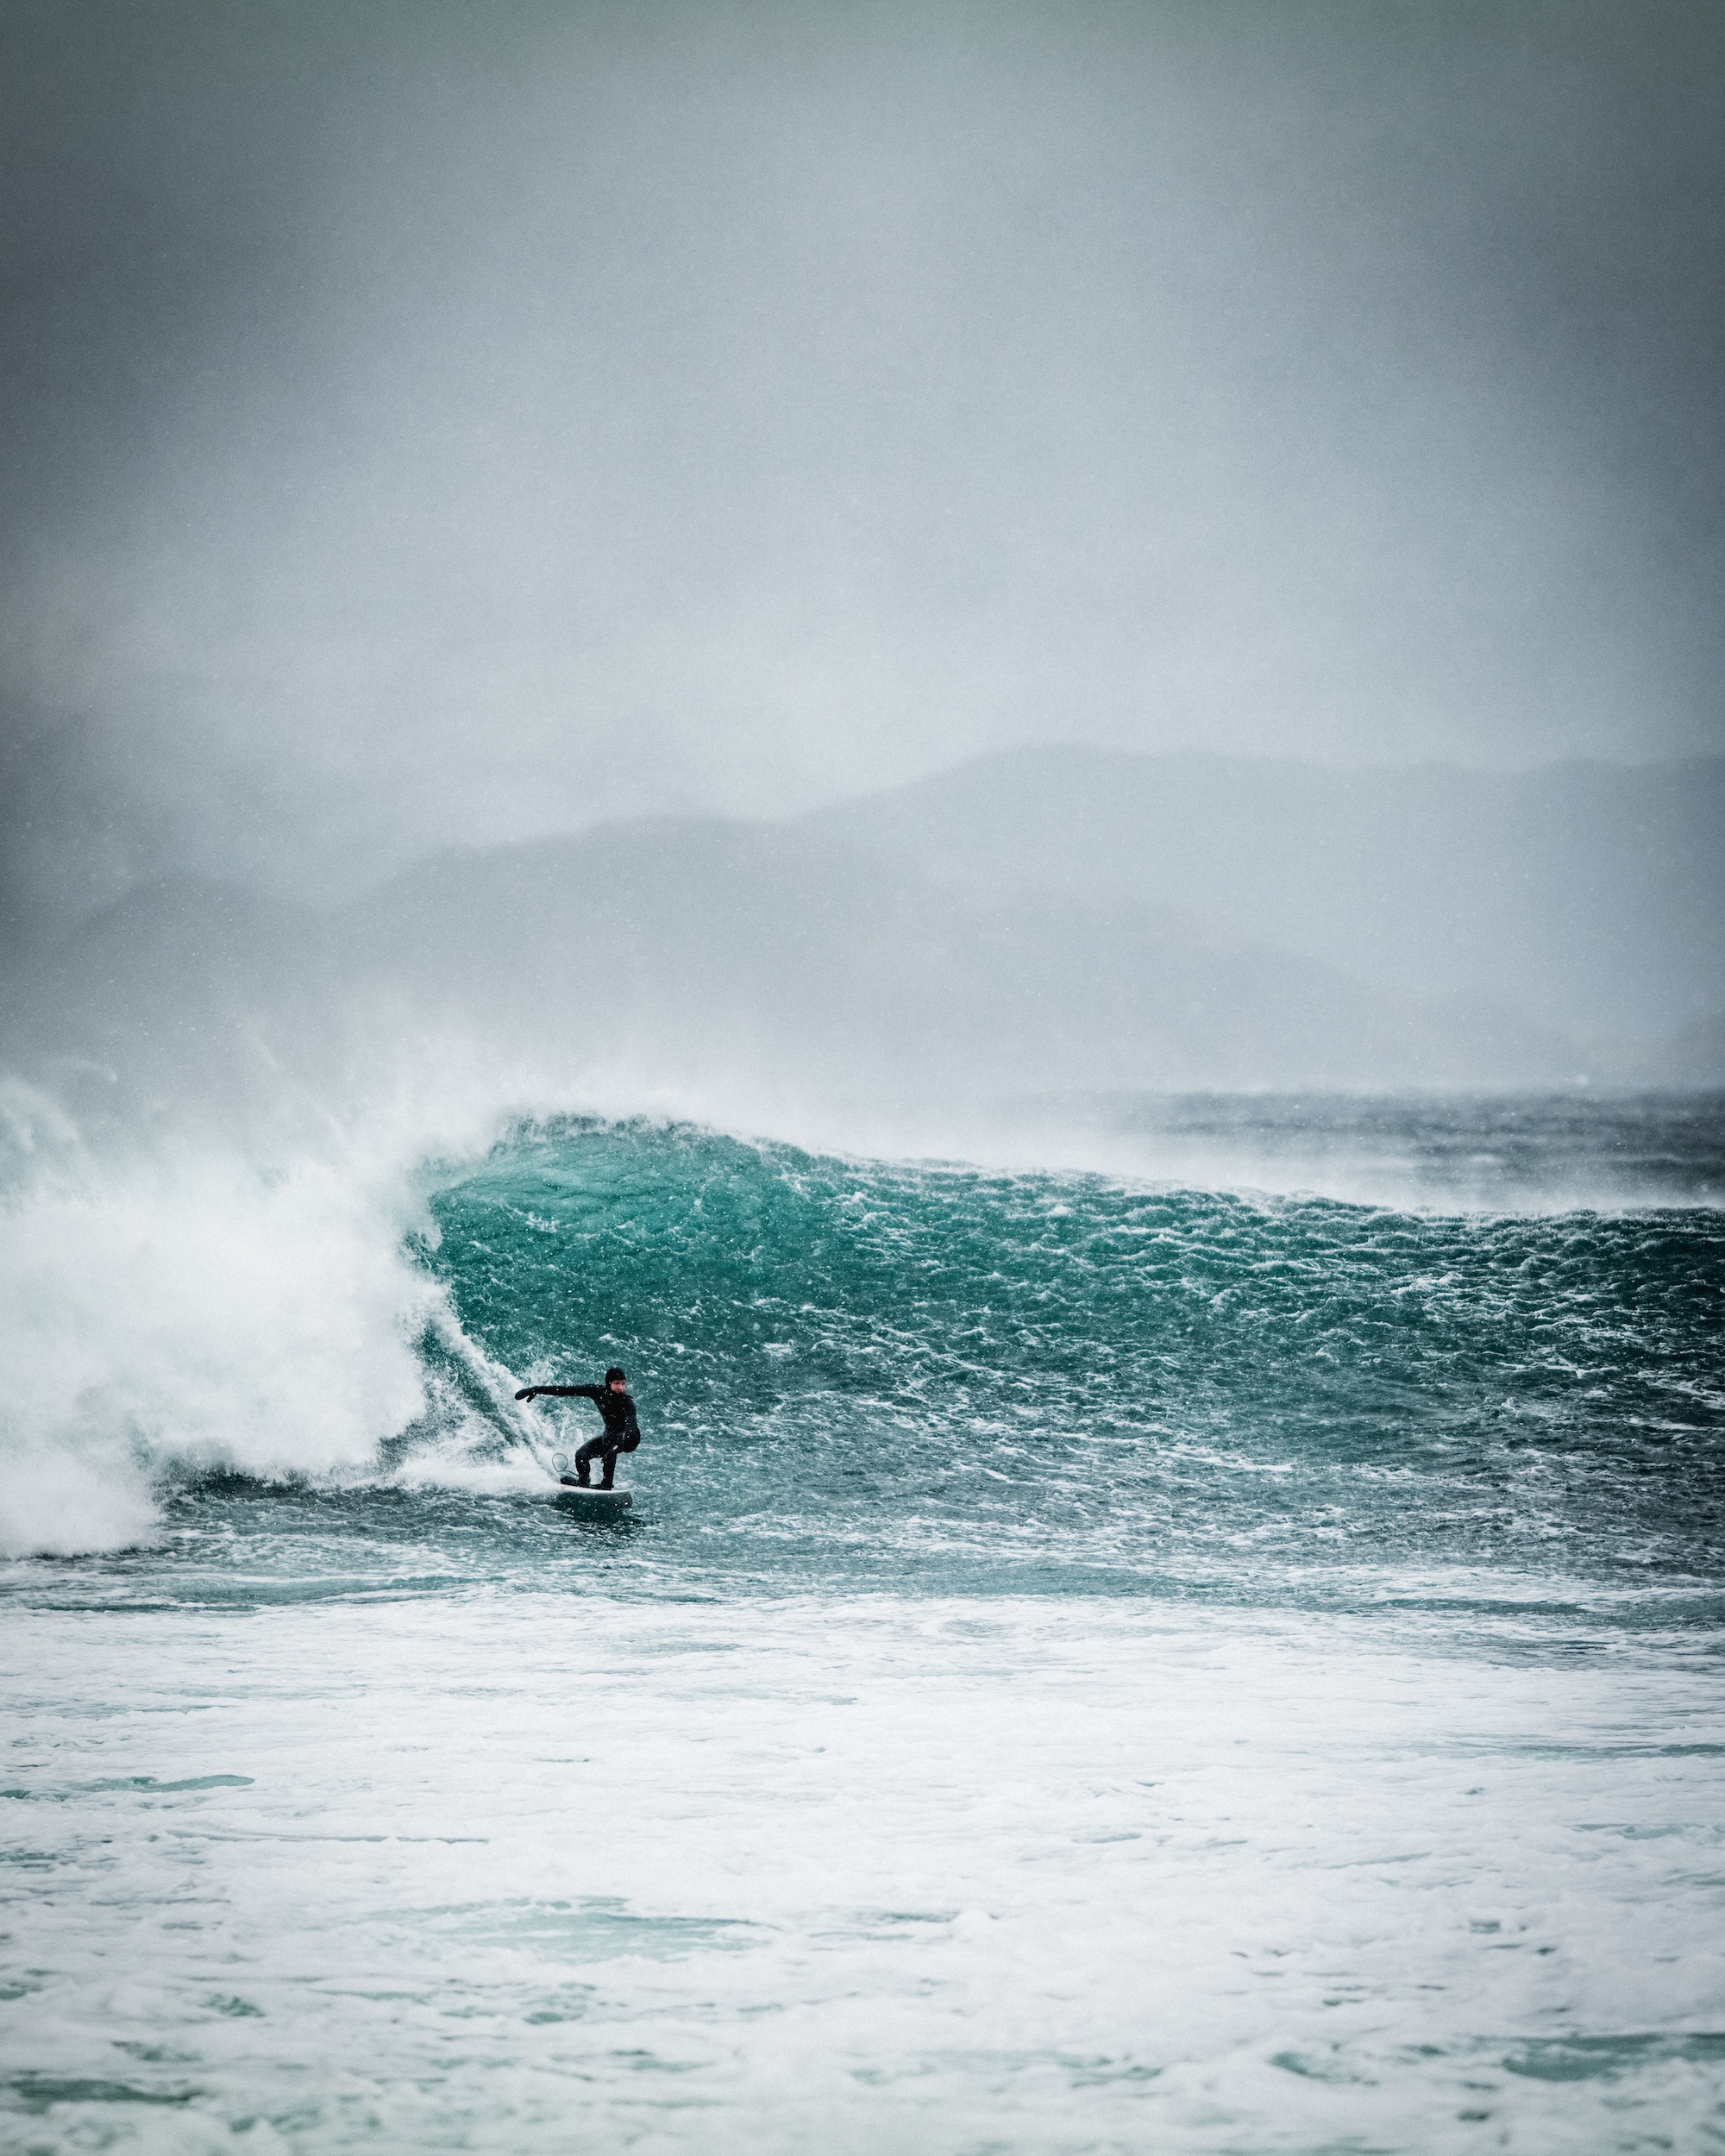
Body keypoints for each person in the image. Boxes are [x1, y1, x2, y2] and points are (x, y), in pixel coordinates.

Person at [515, 1366, 641, 1489]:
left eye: (623, 1384)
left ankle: (606, 1484)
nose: (621, 1388)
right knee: (581, 1455)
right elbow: (565, 1390)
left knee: (610, 1449)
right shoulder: (597, 1391)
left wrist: (617, 1447)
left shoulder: (627, 1401)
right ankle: (583, 1482)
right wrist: (535, 1389)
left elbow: (632, 1427)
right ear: (609, 1383)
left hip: (629, 1438)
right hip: (609, 1436)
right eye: (617, 1383)